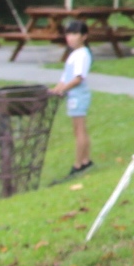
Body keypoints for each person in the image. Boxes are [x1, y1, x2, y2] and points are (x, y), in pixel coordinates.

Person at [49, 19, 93, 177]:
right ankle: (86, 160)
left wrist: (63, 90)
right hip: (72, 96)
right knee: (79, 130)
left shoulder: (83, 55)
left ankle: (78, 163)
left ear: (84, 36)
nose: (70, 38)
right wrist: (56, 89)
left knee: (79, 130)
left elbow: (77, 78)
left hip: (78, 96)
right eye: (68, 34)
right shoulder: (73, 54)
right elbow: (65, 78)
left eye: (75, 34)